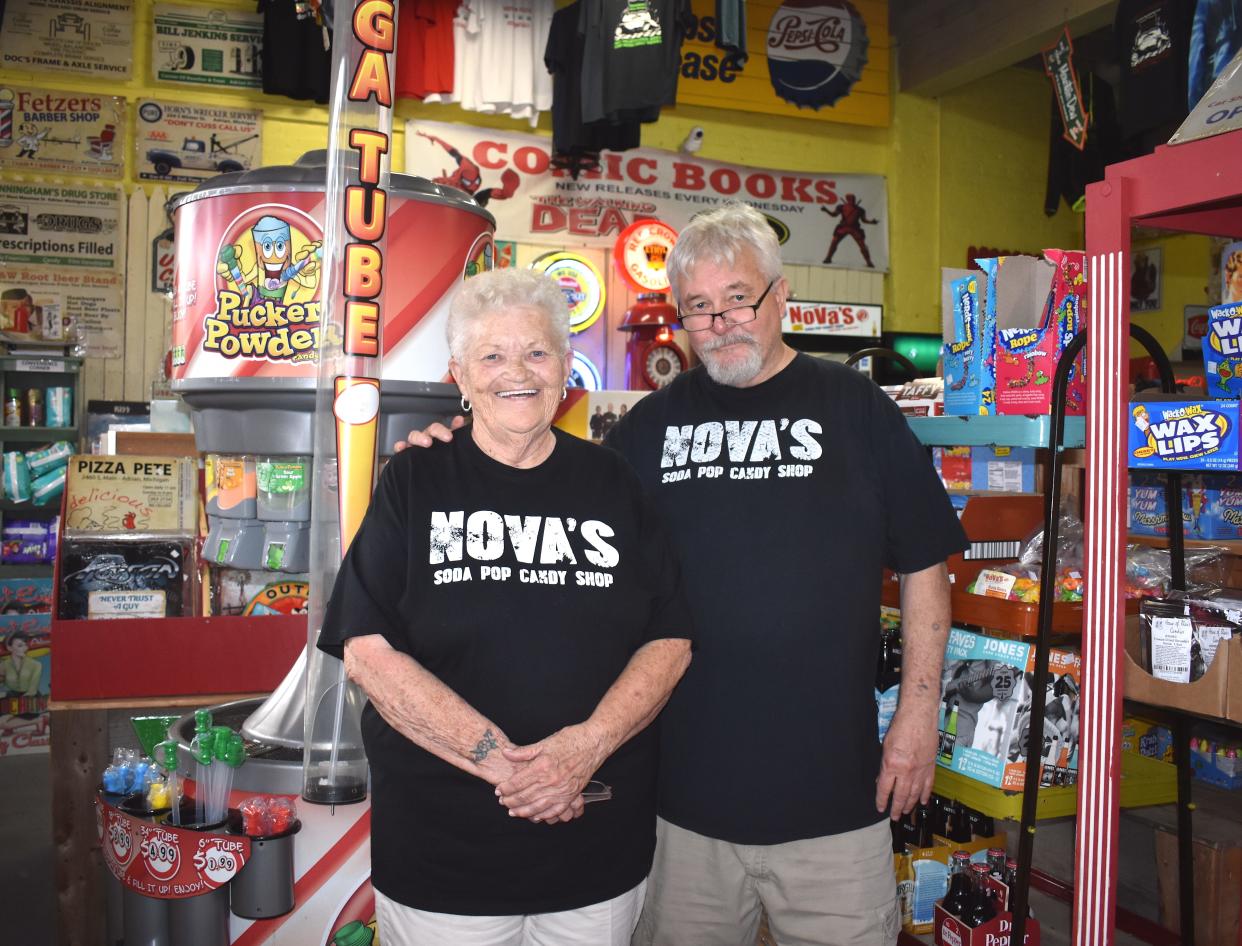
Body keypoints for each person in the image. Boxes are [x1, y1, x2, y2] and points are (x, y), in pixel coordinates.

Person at [403, 202, 966, 945]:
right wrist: (459, 449)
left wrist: (918, 718)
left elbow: (927, 561)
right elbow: (540, 511)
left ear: (779, 295)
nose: (722, 321)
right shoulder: (644, 431)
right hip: (678, 811)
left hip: (836, 800)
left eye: (739, 298)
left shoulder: (855, 409)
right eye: (699, 307)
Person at [320, 267, 693, 946]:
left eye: (537, 352)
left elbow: (670, 639)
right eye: (491, 356)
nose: (515, 372)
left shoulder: (614, 483)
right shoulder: (414, 480)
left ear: (565, 369)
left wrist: (584, 750)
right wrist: (516, 771)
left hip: (595, 851)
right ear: (459, 376)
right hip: (443, 860)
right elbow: (367, 652)